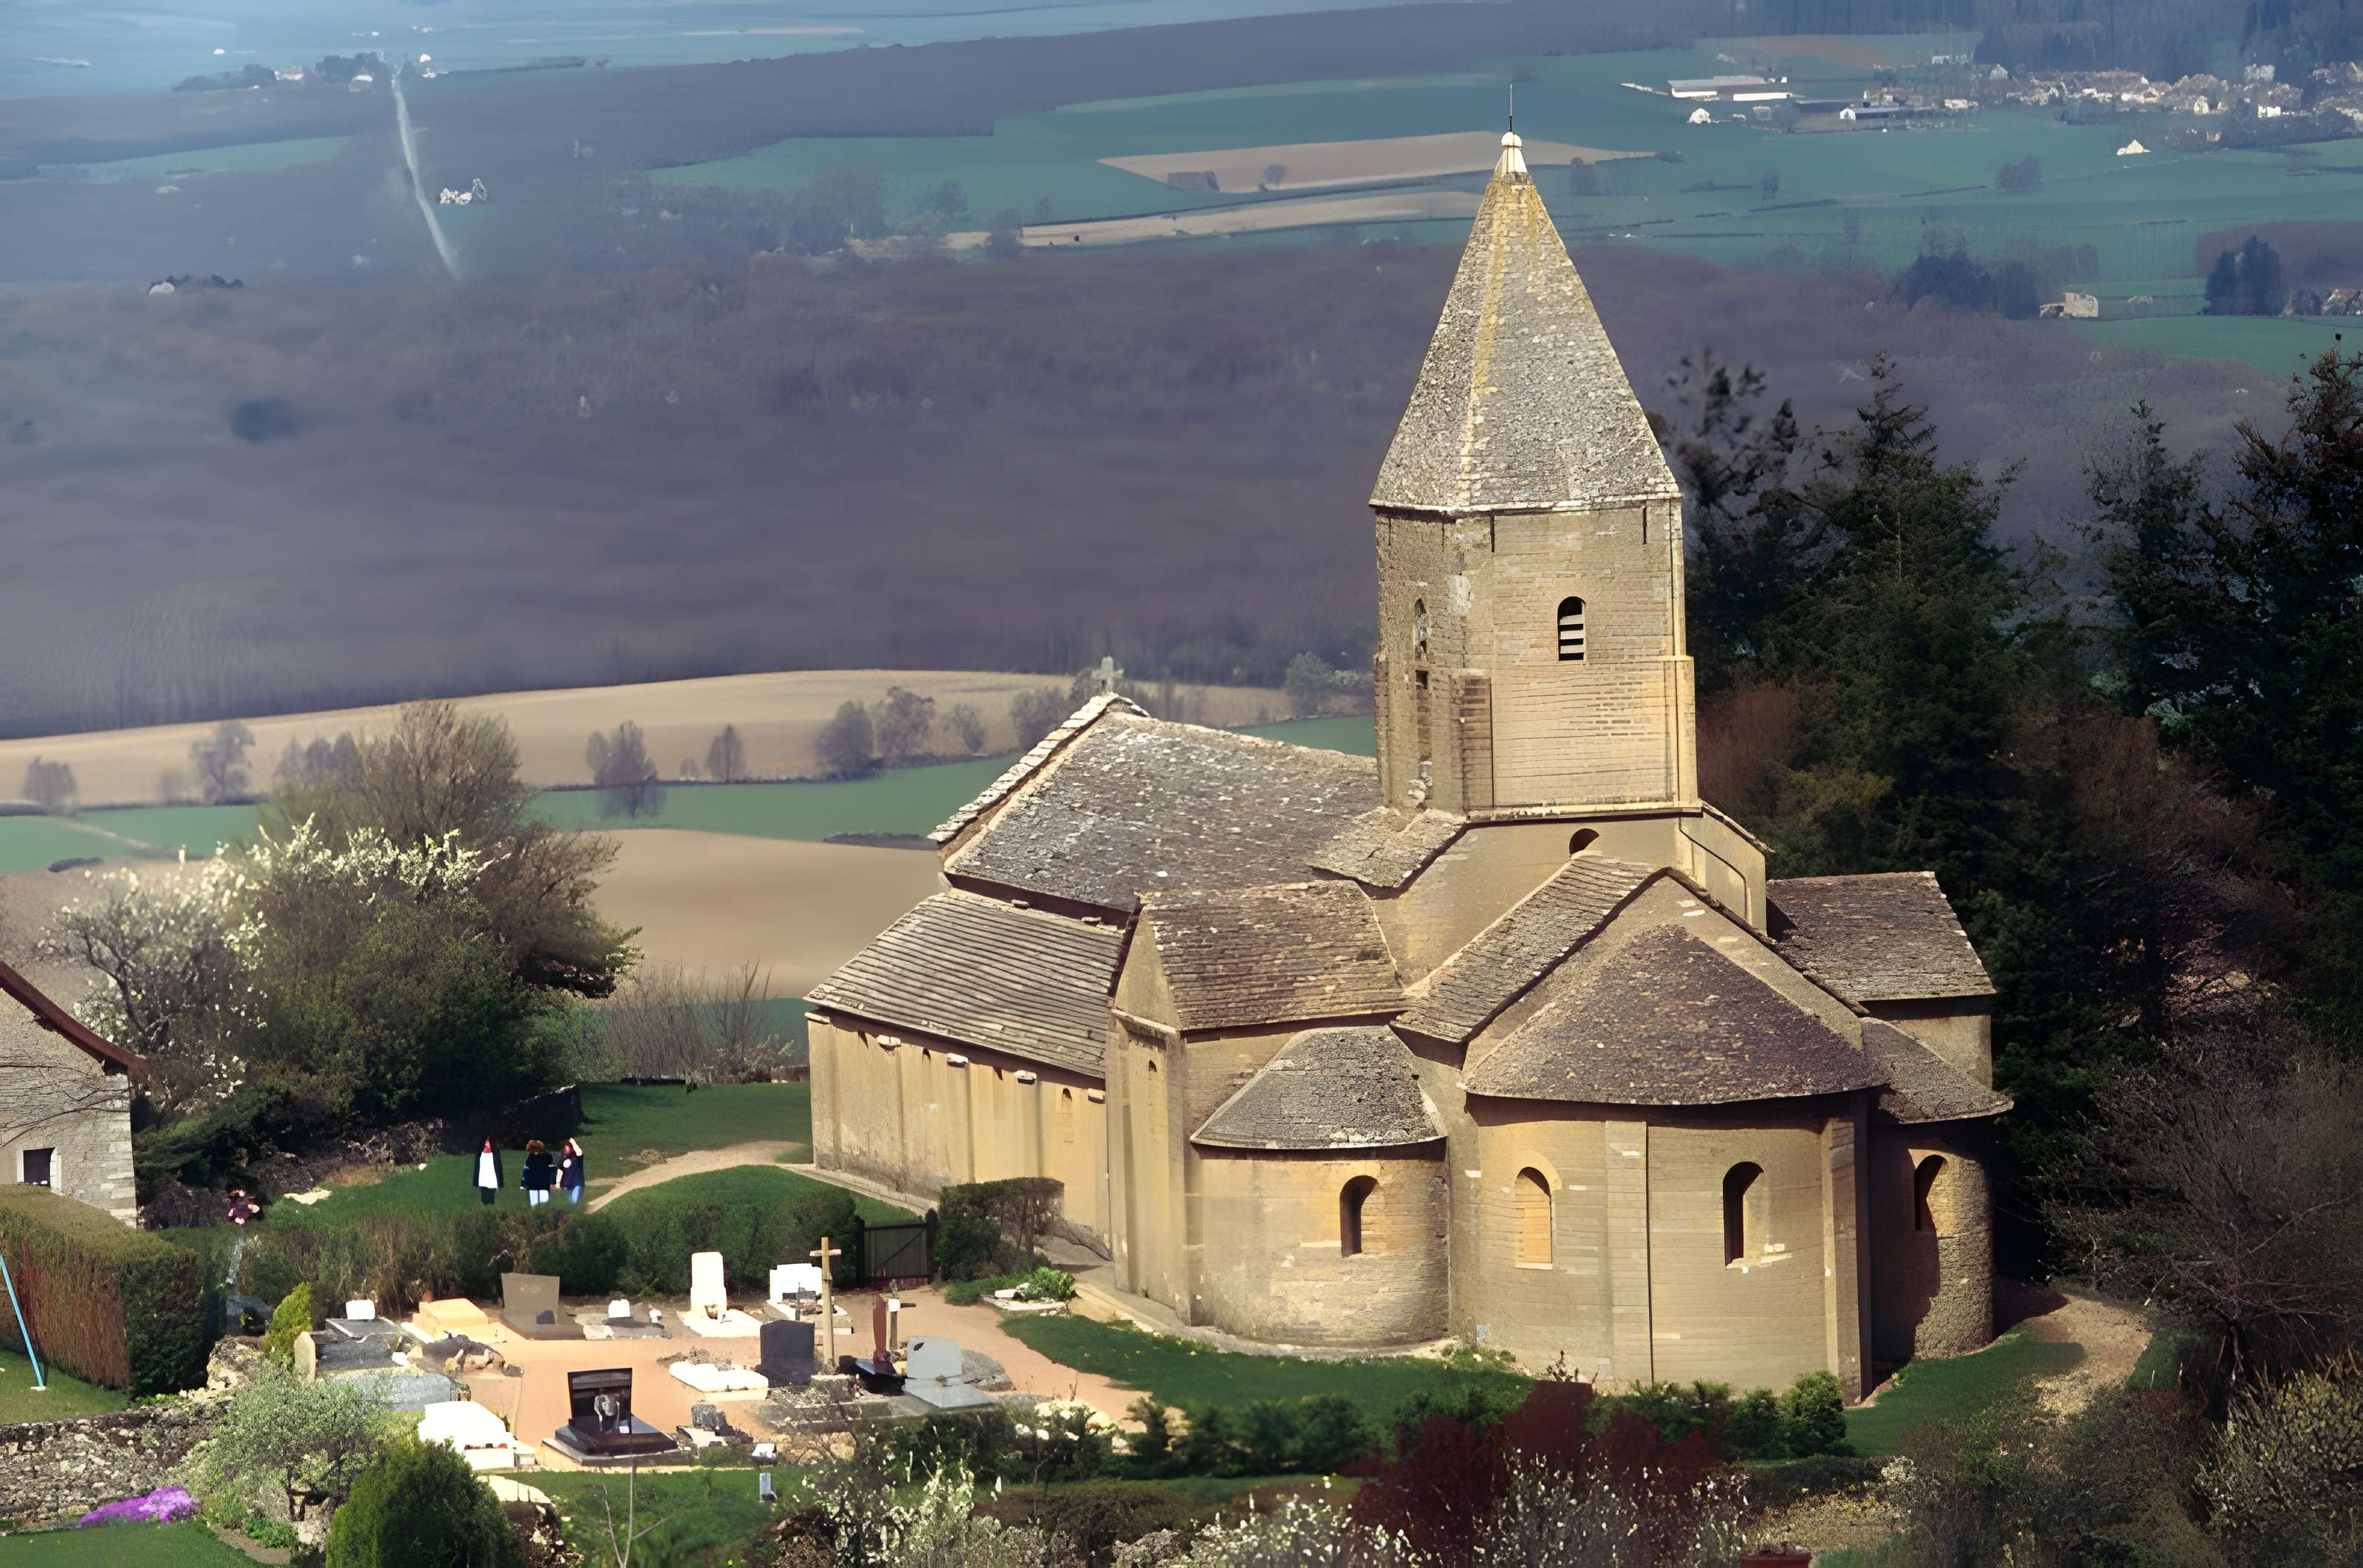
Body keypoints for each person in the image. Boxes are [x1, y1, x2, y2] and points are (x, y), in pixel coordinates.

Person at [521, 1139, 555, 1207]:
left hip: (532, 1184)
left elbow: (526, 1171)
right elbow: (552, 1167)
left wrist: (524, 1183)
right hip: (544, 1183)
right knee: (544, 1204)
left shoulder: (530, 1158)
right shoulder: (547, 1156)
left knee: (534, 1205)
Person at [557, 1138, 586, 1205]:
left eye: (566, 1147)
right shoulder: (563, 1159)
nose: (564, 1149)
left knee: (574, 1201)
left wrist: (573, 1142)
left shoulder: (577, 1157)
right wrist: (558, 1182)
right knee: (567, 1202)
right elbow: (560, 1170)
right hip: (566, 1185)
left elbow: (579, 1151)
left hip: (577, 1184)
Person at [473, 1140, 502, 1207]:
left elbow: (498, 1168)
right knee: (484, 1196)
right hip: (483, 1179)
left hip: (492, 1179)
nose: (487, 1146)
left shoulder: (495, 1155)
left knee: (491, 1196)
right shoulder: (480, 1155)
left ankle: (491, 1206)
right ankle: (484, 1205)